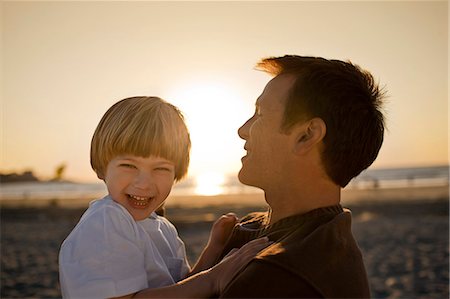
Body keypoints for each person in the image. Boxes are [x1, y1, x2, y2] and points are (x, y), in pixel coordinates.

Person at [58, 96, 269, 299]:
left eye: (160, 168)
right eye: (128, 166)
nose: (144, 183)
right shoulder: (106, 221)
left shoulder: (163, 228)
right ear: (102, 168)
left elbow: (182, 288)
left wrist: (214, 248)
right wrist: (214, 278)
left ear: (176, 174)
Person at [218, 55, 385, 298]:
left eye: (260, 114)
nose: (242, 130)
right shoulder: (259, 228)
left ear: (307, 136)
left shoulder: (283, 275)